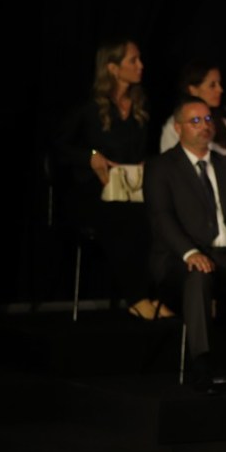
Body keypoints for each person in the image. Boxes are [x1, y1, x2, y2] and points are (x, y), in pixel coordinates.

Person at [145, 96, 226, 391]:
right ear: (178, 128)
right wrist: (189, 252)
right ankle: (202, 362)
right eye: (195, 120)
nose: (204, 125)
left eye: (207, 119)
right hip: (179, 259)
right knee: (198, 276)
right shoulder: (161, 167)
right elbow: (161, 218)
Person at [62, 38, 163, 319]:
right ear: (113, 68)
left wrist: (145, 163)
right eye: (133, 60)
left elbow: (144, 151)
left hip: (131, 189)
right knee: (126, 218)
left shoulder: (140, 106)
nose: (140, 65)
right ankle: (138, 297)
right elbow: (59, 147)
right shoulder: (89, 108)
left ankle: (158, 295)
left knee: (157, 215)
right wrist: (91, 156)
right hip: (95, 191)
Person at [159, 61, 226, 157]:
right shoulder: (175, 126)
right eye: (212, 85)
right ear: (193, 90)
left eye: (219, 84)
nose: (220, 90)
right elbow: (170, 162)